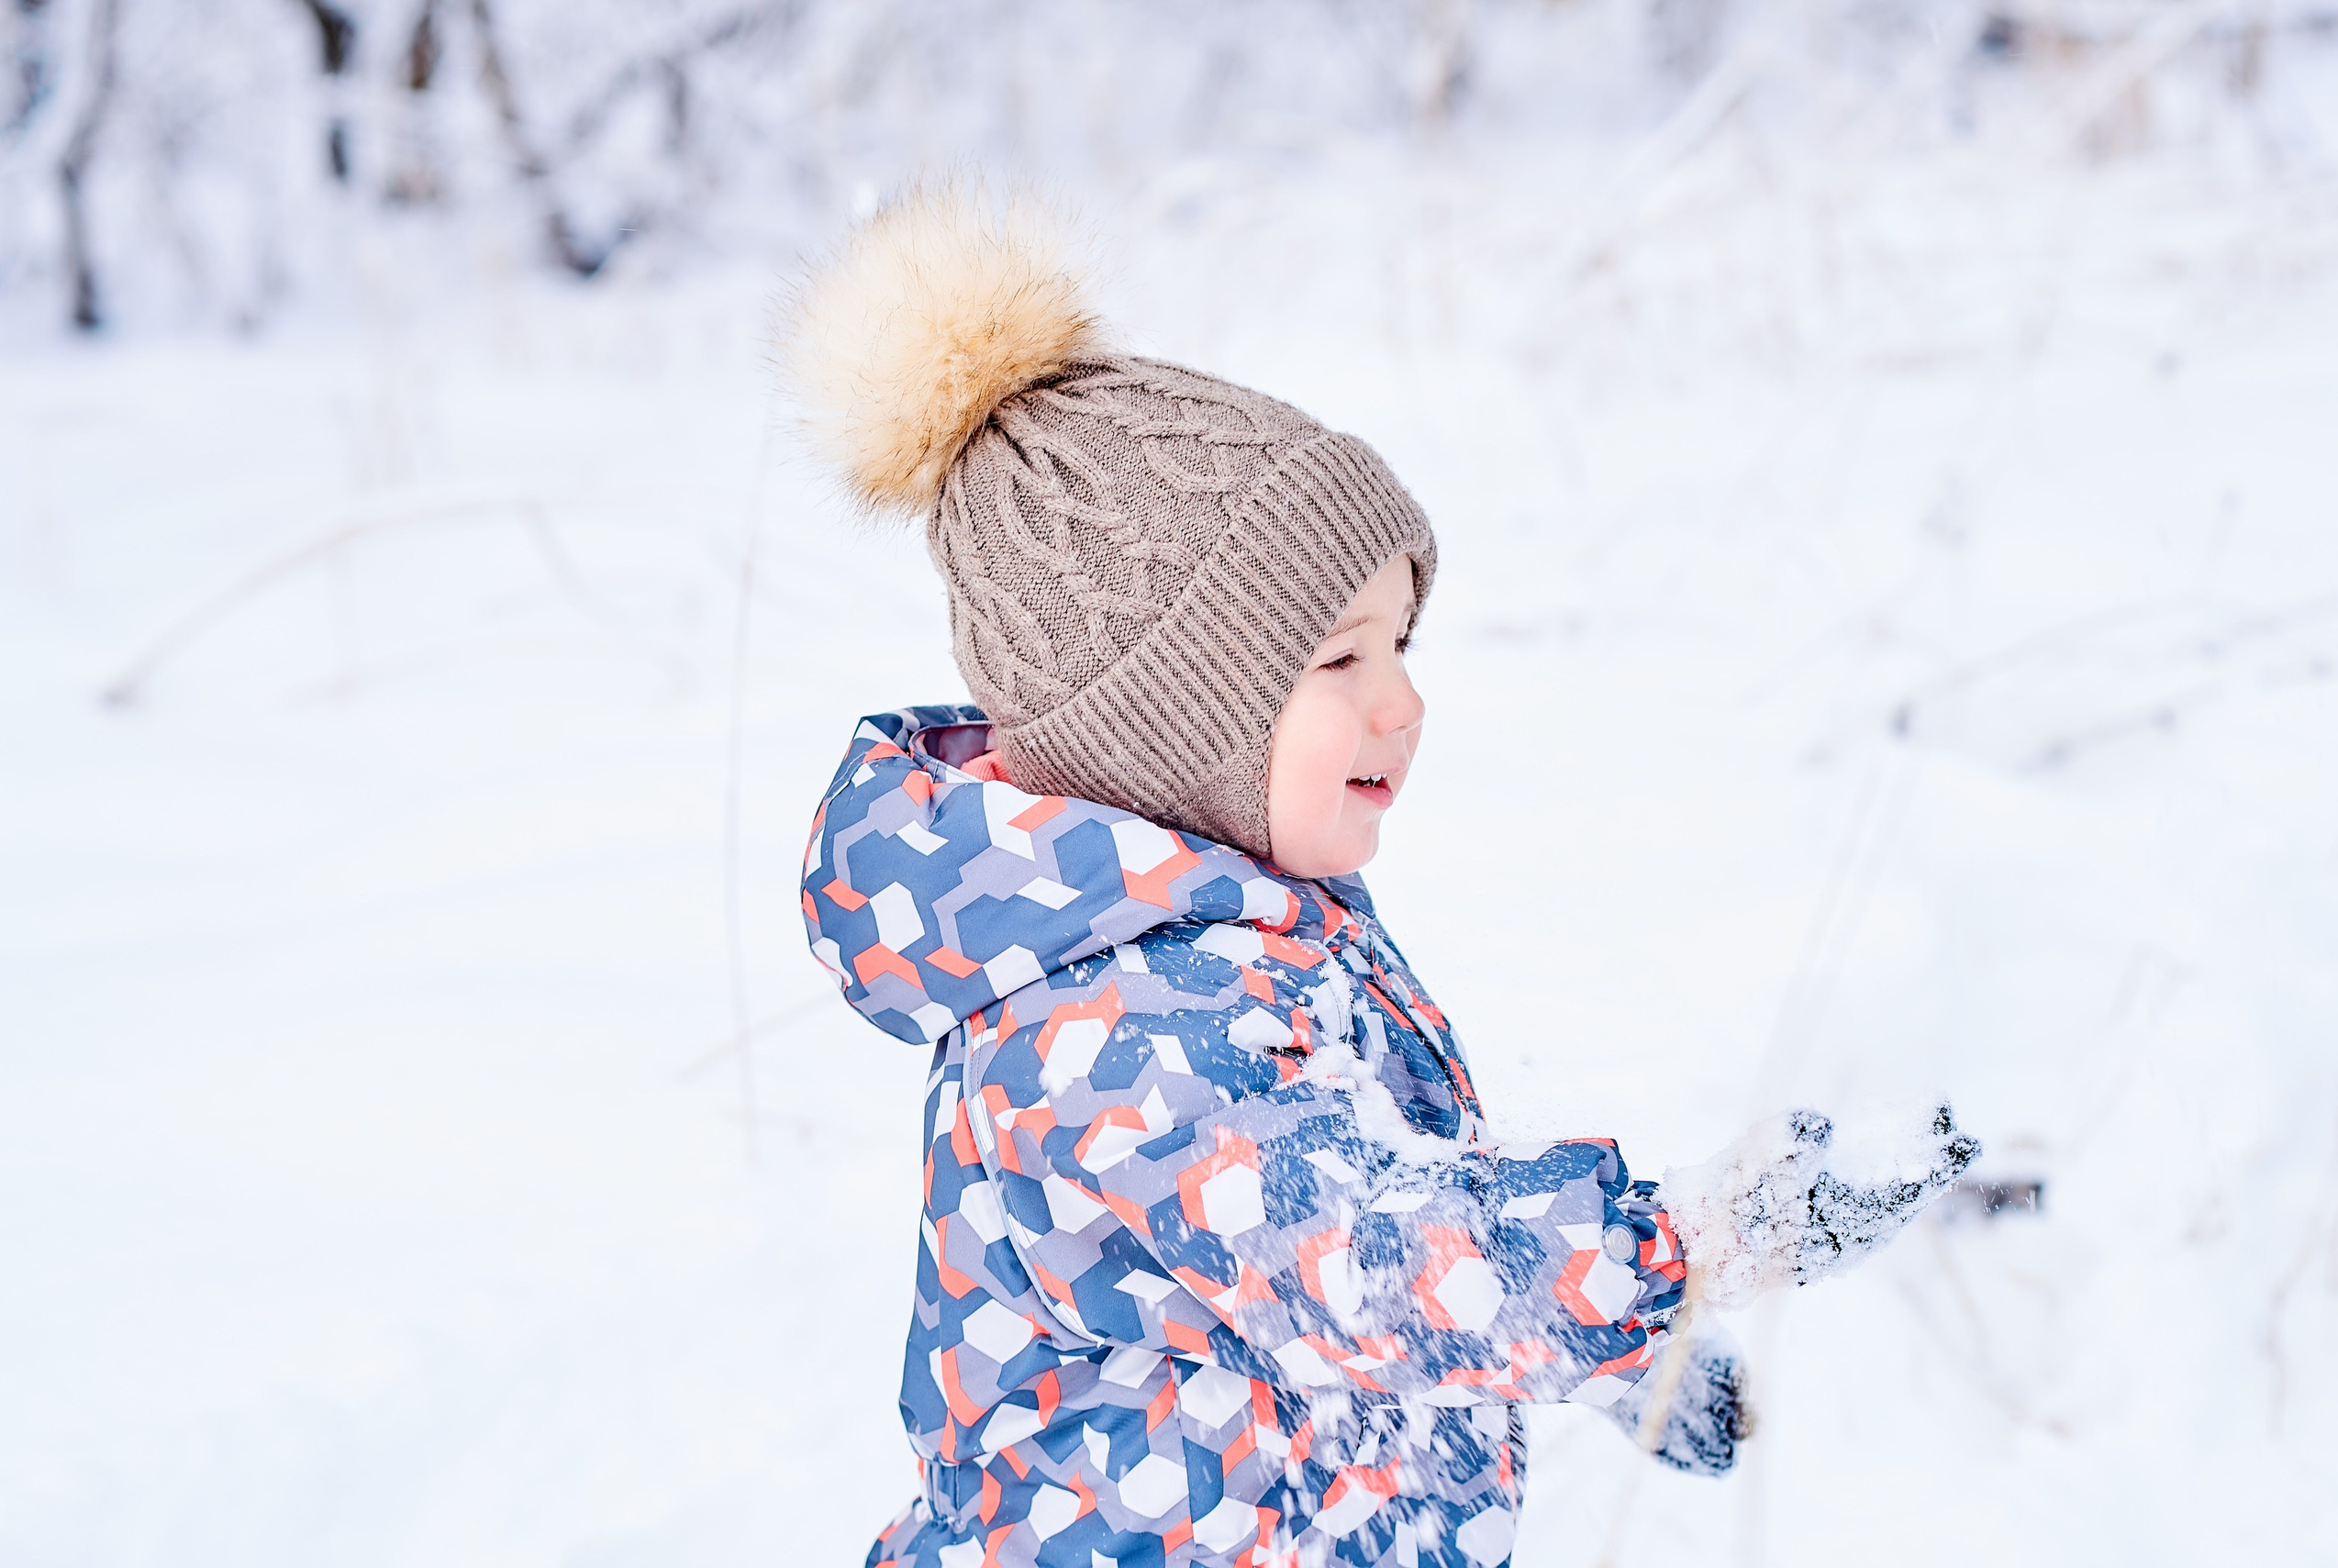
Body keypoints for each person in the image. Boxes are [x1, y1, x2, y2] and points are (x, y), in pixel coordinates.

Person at [784, 184, 1977, 1568]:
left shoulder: (1232, 941)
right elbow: (1368, 1259)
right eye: (1339, 658)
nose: (1403, 701)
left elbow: (1332, 1237)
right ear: (1177, 725)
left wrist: (1594, 1358)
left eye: (1404, 643)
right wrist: (1693, 1242)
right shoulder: (1117, 1040)